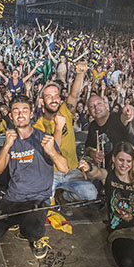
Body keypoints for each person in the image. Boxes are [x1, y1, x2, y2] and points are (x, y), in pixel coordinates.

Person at [0, 95, 69, 258]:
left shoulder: (43, 138)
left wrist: (52, 152)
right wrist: (6, 146)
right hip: (12, 199)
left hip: (37, 200)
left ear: (31, 114)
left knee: (31, 230)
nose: (20, 114)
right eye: (16, 111)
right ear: (11, 116)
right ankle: (17, 219)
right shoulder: (10, 140)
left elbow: (64, 168)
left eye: (24, 110)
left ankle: (35, 235)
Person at [34, 60, 98, 203]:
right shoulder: (38, 127)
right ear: (42, 101)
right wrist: (58, 128)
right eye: (49, 97)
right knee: (42, 201)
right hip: (51, 173)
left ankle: (63, 196)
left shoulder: (65, 111)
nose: (54, 99)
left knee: (91, 194)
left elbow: (74, 95)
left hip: (72, 170)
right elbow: (53, 151)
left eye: (56, 96)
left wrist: (80, 74)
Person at [85, 94, 134, 168]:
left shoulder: (117, 117)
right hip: (111, 169)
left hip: (132, 167)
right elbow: (88, 147)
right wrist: (91, 153)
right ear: (89, 112)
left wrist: (128, 114)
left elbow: (124, 118)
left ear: (106, 105)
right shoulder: (93, 126)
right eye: (91, 106)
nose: (96, 108)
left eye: (99, 103)